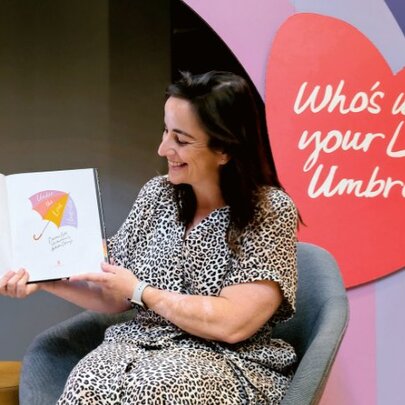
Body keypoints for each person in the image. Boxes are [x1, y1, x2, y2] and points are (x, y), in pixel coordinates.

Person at [0, 71, 298, 404]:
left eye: (181, 140)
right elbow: (115, 296)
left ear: (225, 149)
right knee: (87, 381)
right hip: (137, 346)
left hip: (227, 360)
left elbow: (233, 324)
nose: (163, 148)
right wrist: (46, 278)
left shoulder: (270, 211)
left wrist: (142, 291)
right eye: (166, 131)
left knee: (154, 387)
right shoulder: (157, 195)